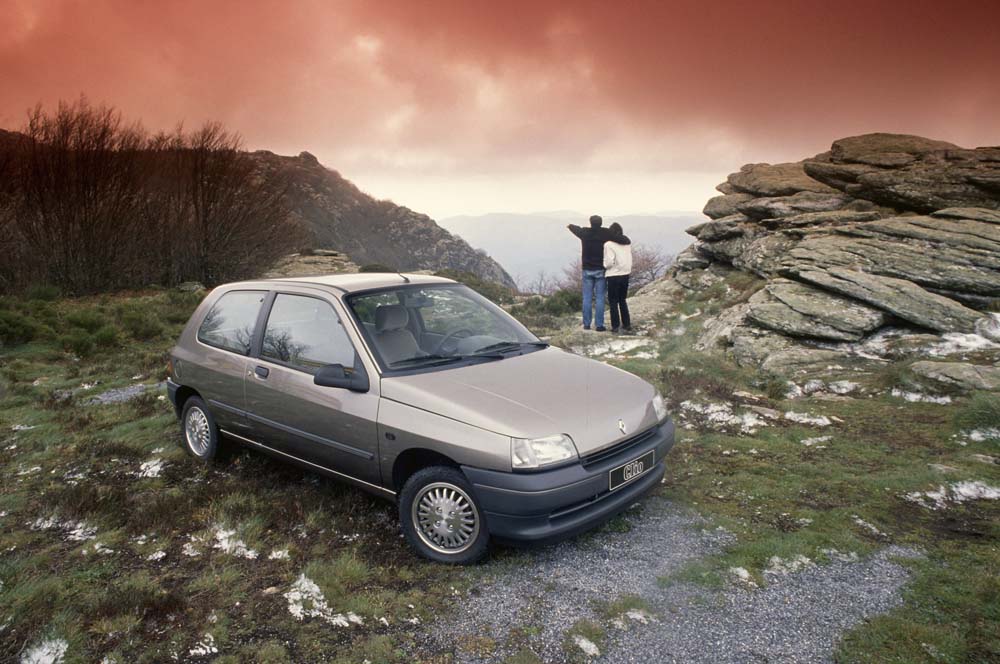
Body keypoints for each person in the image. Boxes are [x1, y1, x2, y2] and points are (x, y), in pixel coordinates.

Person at [567, 215, 628, 331]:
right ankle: (599, 325)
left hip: (587, 269)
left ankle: (586, 324)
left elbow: (576, 228)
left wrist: (569, 226)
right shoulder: (606, 233)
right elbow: (622, 239)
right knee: (600, 298)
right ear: (601, 223)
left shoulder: (584, 232)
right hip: (600, 269)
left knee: (587, 297)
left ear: (590, 223)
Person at [603, 222, 632, 333]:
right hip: (625, 274)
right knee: (622, 300)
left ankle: (615, 326)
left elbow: (609, 262)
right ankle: (627, 324)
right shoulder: (627, 243)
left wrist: (604, 266)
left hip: (613, 275)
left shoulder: (608, 244)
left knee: (613, 301)